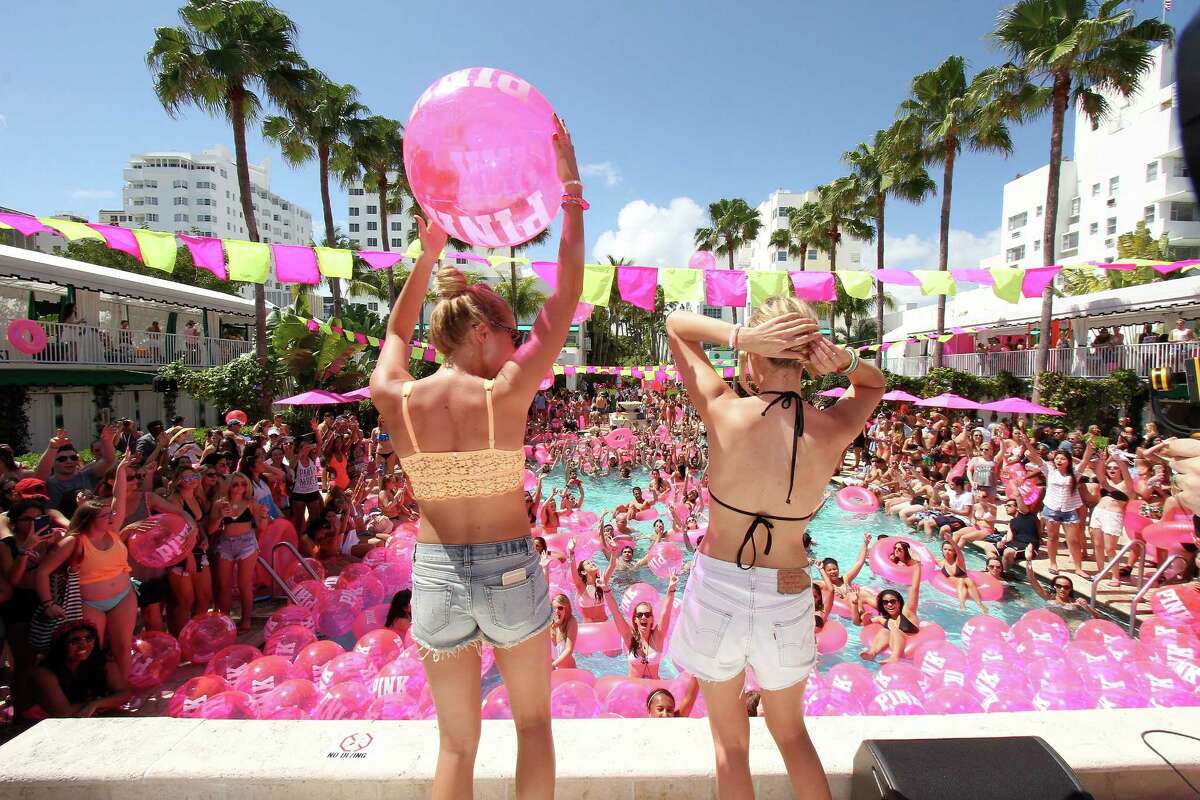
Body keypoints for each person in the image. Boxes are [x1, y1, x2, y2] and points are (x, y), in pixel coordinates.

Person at [368, 116, 581, 799]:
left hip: (434, 572)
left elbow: (396, 331)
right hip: (508, 567)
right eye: (510, 332)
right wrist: (571, 190)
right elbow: (566, 297)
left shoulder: (396, 397)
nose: (517, 342)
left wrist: (427, 255)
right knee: (534, 727)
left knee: (456, 745)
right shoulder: (504, 395)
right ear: (484, 333)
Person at [664, 297, 884, 800]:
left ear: (752, 358)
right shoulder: (832, 427)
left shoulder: (724, 410)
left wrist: (739, 337)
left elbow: (676, 325)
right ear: (808, 359)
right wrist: (846, 362)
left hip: (719, 585)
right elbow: (874, 384)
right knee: (791, 735)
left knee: (730, 744)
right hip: (787, 589)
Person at [36, 450, 138, 681]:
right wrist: (48, 604)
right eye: (105, 515)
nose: (112, 515)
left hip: (124, 596)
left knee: (123, 646)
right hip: (89, 602)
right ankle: (93, 690)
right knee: (92, 651)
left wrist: (121, 470)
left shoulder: (112, 530)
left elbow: (119, 498)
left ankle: (122, 689)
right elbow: (43, 572)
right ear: (89, 520)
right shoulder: (74, 542)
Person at [29, 620, 131, 719]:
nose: (83, 645)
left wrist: (96, 704)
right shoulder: (44, 673)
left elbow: (125, 694)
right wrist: (106, 702)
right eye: (74, 641)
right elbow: (64, 713)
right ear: (60, 646)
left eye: (88, 639)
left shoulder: (104, 664)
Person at [601, 571, 677, 679]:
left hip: (654, 686)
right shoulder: (629, 637)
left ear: (652, 619)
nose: (643, 617)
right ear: (635, 620)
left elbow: (666, 613)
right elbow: (615, 612)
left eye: (647, 614)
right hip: (634, 687)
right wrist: (605, 589)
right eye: (640, 615)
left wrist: (671, 589)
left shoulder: (658, 636)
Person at [860, 567, 923, 663]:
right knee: (884, 631)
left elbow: (915, 589)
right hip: (895, 641)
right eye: (885, 602)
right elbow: (868, 625)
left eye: (892, 601)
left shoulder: (907, 612)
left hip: (912, 641)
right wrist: (865, 619)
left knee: (895, 630)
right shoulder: (884, 619)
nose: (889, 604)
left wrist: (917, 566)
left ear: (899, 603)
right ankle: (872, 653)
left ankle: (894, 657)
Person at [548, 593, 578, 670]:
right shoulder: (550, 623)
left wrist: (553, 665)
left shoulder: (571, 621)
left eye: (560, 608)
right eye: (554, 608)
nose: (556, 611)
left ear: (566, 609)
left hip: (568, 671)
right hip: (554, 670)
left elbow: (569, 649)